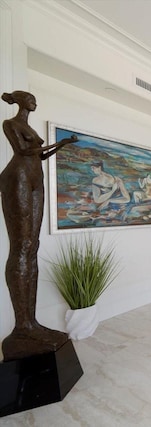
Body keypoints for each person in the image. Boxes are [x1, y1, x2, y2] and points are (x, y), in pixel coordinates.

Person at [0, 90, 77, 361]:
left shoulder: (29, 126)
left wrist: (63, 144)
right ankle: (22, 325)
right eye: (31, 99)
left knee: (32, 246)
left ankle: (31, 323)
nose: (34, 102)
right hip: (17, 178)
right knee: (21, 247)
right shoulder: (11, 124)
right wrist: (51, 145)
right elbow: (23, 151)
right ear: (21, 101)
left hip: (35, 178)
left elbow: (39, 156)